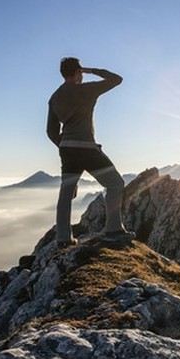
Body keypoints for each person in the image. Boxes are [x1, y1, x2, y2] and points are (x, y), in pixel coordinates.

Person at [47, 57, 135, 247]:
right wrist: (91, 70)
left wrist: (64, 145)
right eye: (80, 72)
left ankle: (63, 238)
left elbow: (51, 131)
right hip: (87, 148)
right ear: (78, 72)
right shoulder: (86, 90)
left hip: (67, 151)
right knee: (115, 183)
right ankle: (113, 229)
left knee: (66, 194)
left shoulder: (54, 97)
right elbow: (116, 79)